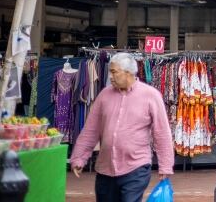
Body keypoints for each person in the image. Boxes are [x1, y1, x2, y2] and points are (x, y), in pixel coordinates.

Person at [70, 53, 174, 202]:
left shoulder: (151, 95)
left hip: (136, 167)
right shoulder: (104, 95)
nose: (110, 76)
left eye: (114, 72)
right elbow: (90, 130)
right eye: (110, 72)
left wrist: (165, 166)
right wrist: (79, 157)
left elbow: (161, 133)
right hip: (105, 170)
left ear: (128, 72)